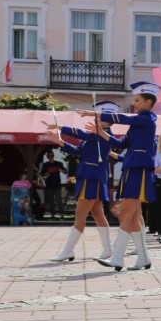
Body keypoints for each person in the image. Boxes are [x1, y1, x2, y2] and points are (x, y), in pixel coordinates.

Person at [82, 81, 160, 272]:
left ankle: (117, 257)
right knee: (133, 217)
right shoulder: (139, 122)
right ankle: (143, 258)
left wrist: (100, 114)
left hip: (139, 169)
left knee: (126, 213)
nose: (135, 103)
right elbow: (122, 142)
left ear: (149, 101)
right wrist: (101, 132)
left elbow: (124, 119)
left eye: (138, 100)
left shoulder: (147, 118)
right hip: (131, 168)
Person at [42, 100, 119, 262]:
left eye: (100, 115)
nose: (96, 118)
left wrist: (60, 127)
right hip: (90, 176)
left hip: (93, 177)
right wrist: (59, 141)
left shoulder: (106, 136)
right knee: (97, 213)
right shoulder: (95, 133)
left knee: (80, 214)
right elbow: (78, 151)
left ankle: (68, 250)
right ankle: (108, 249)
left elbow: (80, 134)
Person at [40, 150, 67, 220]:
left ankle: (62, 215)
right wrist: (45, 174)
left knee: (59, 200)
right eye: (49, 156)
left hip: (57, 184)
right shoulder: (45, 165)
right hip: (49, 185)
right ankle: (52, 215)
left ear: (53, 156)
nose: (50, 157)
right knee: (51, 201)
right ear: (47, 157)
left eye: (51, 156)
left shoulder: (58, 163)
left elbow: (65, 172)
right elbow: (42, 174)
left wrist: (61, 170)